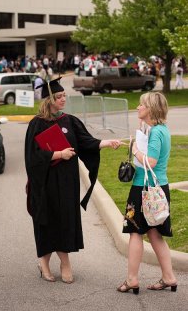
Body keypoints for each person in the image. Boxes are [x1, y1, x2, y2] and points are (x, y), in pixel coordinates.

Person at [25, 77, 122, 284]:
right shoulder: (36, 124)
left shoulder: (69, 120)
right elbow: (32, 157)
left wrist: (107, 142)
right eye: (59, 97)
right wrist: (59, 154)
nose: (63, 100)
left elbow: (87, 142)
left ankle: (64, 263)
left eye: (64, 96)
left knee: (64, 220)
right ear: (49, 100)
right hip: (45, 184)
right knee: (47, 221)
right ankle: (45, 264)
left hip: (67, 183)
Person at [118, 92, 177, 294]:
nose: (138, 107)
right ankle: (169, 277)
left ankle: (132, 279)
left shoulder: (157, 132)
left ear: (150, 109)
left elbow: (150, 161)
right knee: (155, 234)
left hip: (144, 189)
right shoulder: (159, 130)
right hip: (158, 188)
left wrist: (135, 149)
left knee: (135, 233)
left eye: (141, 104)